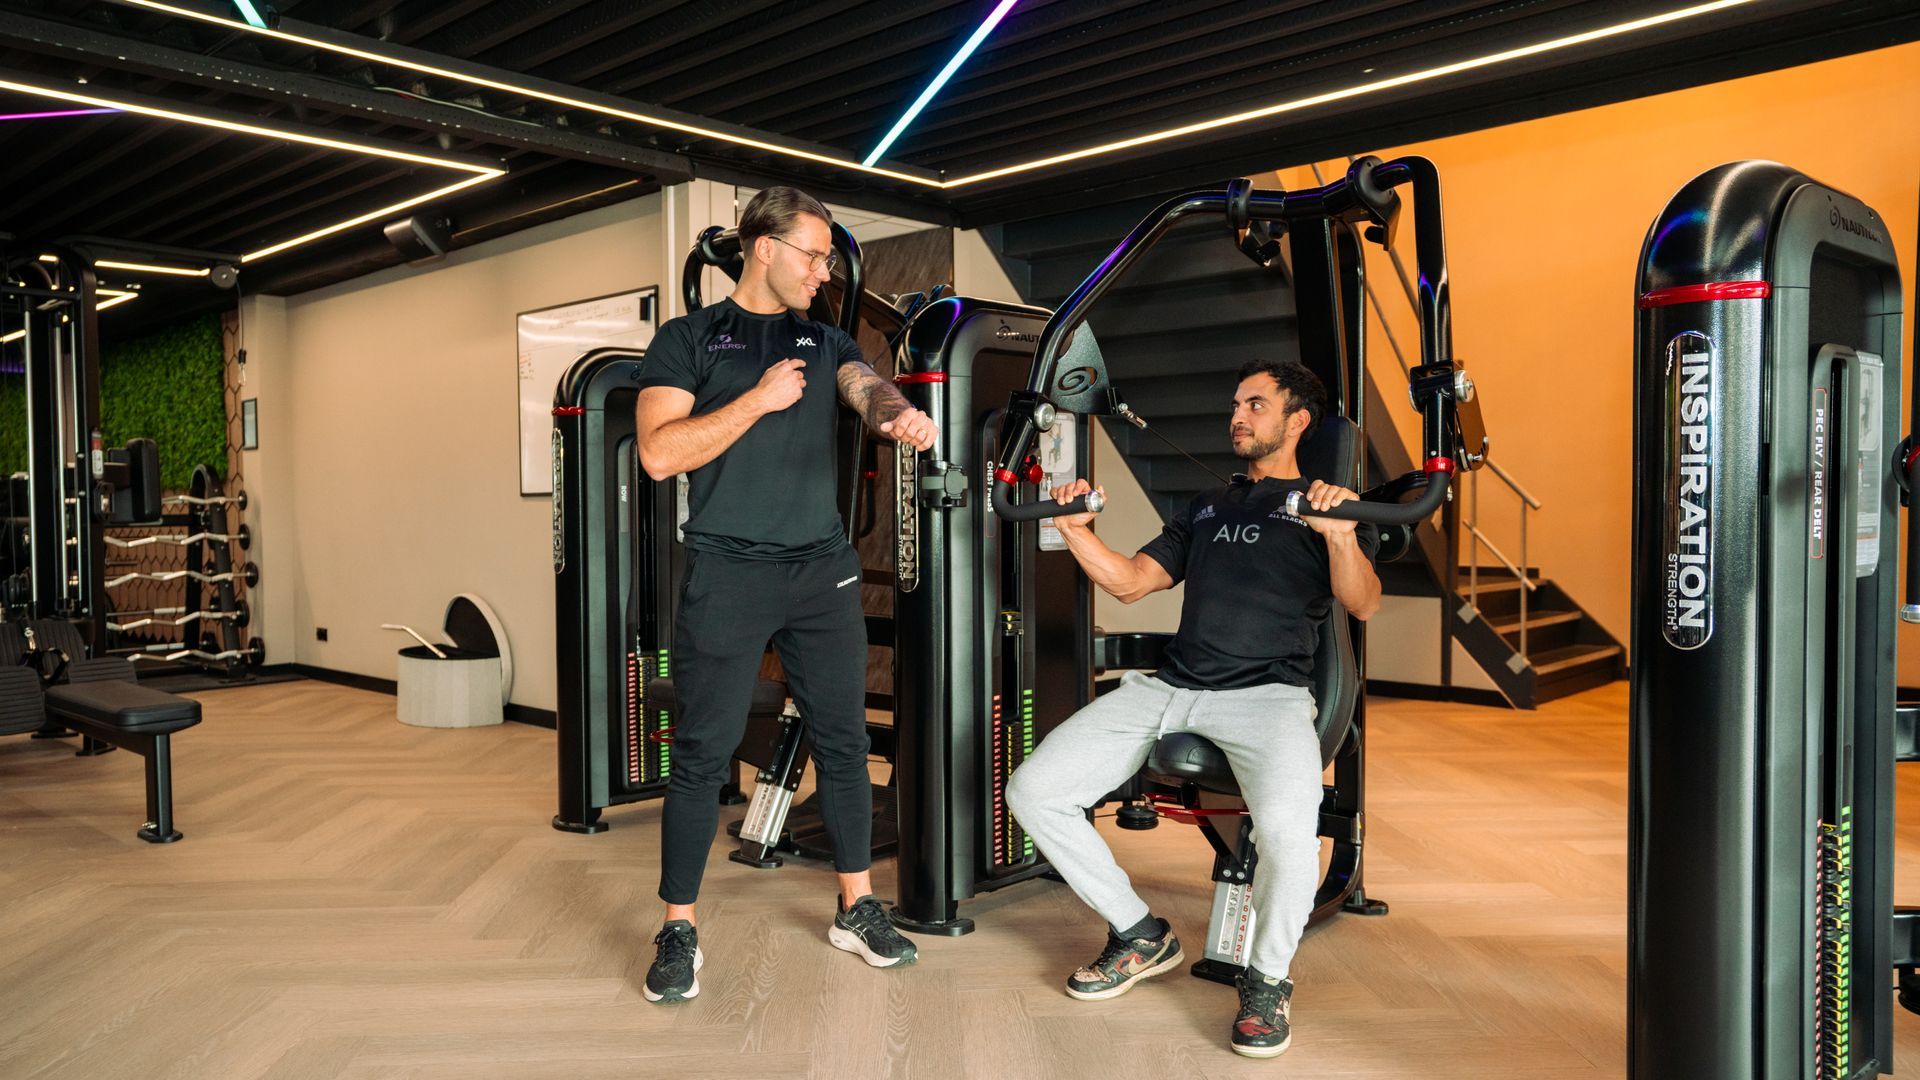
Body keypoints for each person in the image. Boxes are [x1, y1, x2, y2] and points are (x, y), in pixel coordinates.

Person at [1005, 358, 1381, 1058]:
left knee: (1292, 843)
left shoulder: (1323, 506)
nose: (1238, 415)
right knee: (1035, 791)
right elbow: (1129, 584)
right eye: (1236, 404)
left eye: (1256, 405)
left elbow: (1362, 602)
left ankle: (1266, 981)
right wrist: (1078, 530)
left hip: (1268, 699)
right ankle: (1141, 935)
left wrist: (1339, 534)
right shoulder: (1206, 506)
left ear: (1298, 421)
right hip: (1168, 687)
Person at [632, 186, 934, 1003]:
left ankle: (856, 907)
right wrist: (757, 400)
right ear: (764, 248)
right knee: (703, 751)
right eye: (813, 253)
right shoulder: (690, 339)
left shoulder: (824, 335)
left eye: (828, 256)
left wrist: (900, 416)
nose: (822, 269)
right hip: (729, 570)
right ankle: (679, 927)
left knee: (842, 742)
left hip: (819, 571)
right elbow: (659, 456)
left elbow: (866, 386)